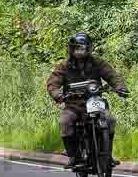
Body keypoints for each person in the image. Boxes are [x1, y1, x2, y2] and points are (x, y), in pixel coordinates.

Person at [46, 32, 129, 169]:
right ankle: (74, 156)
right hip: (74, 105)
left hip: (95, 101)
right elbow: (53, 83)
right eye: (78, 48)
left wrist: (121, 88)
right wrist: (57, 94)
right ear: (71, 49)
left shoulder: (98, 63)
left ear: (89, 49)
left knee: (110, 120)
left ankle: (107, 155)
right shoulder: (64, 66)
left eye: (84, 48)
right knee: (65, 122)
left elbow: (113, 76)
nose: (81, 52)